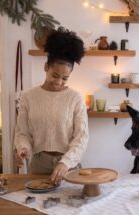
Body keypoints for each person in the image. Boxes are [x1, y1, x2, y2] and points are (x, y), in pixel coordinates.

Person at [14, 27, 88, 185]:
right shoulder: (28, 97)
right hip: (39, 165)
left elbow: (81, 138)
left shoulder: (75, 98)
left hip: (69, 166)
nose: (59, 82)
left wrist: (65, 163)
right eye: (55, 75)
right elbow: (22, 133)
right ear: (46, 67)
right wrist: (23, 149)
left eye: (65, 78)